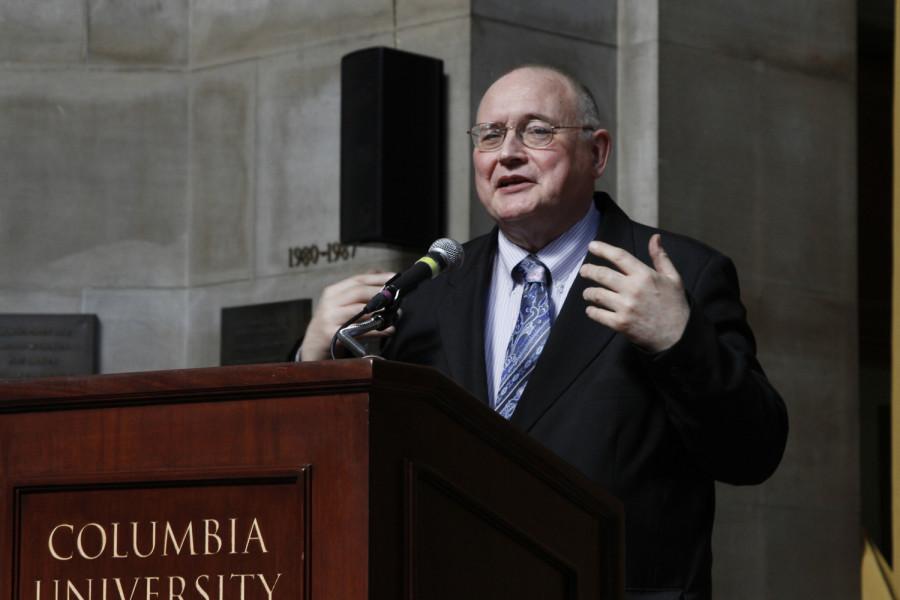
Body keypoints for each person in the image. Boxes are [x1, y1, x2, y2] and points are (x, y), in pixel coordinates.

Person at [301, 65, 788, 598]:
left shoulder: (680, 274)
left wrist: (679, 340)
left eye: (536, 131)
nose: (507, 152)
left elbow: (752, 454)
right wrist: (314, 361)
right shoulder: (424, 296)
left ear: (597, 153)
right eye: (490, 134)